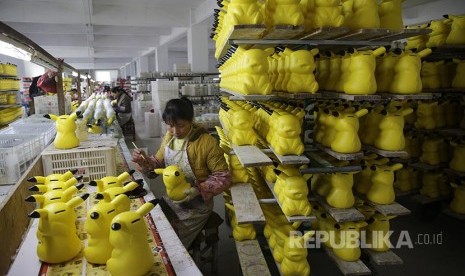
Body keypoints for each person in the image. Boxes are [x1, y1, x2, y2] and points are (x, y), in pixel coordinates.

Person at [131, 97, 231, 249]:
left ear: (191, 120)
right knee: (152, 226)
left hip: (197, 206)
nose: (175, 131)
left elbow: (222, 177)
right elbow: (157, 165)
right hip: (173, 200)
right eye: (170, 126)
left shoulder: (206, 142)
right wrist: (144, 162)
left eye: (181, 126)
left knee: (170, 242)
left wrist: (198, 190)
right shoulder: (169, 138)